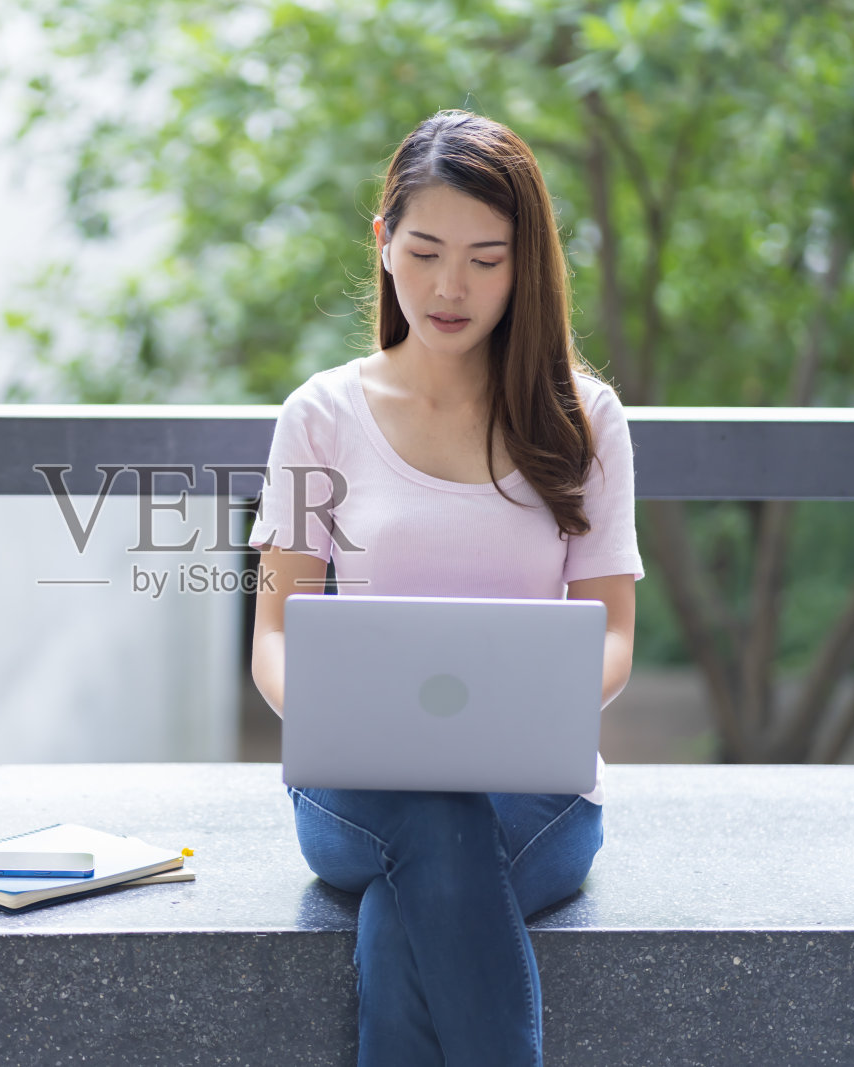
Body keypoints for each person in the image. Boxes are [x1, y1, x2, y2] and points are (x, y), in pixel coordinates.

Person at [246, 109, 644, 1066]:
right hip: (357, 793)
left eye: (485, 258)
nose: (450, 286)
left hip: (536, 796)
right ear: (383, 246)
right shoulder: (321, 415)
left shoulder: (584, 419)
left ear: (526, 266)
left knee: (415, 895)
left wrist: (529, 707)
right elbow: (274, 632)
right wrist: (340, 718)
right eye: (424, 251)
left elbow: (617, 634)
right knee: (431, 819)